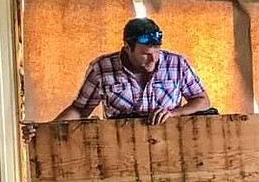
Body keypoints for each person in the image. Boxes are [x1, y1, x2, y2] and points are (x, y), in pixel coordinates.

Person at [54, 17, 211, 125]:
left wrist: (174, 113)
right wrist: (44, 131)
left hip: (169, 146)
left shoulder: (177, 64)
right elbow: (80, 109)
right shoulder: (101, 68)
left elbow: (202, 101)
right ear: (128, 48)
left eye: (157, 52)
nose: (154, 59)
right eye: (145, 54)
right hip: (121, 148)